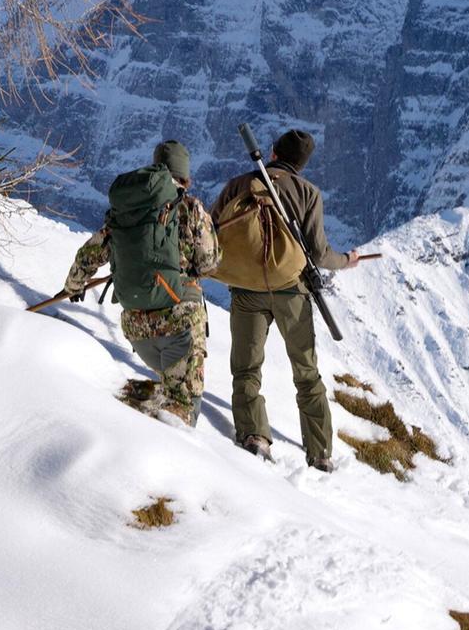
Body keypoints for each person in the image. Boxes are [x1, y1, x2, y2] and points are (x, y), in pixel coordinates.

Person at [211, 128, 364, 470]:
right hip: (291, 292)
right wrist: (346, 261)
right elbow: (320, 253)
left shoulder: (238, 185)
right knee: (306, 371)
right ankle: (320, 452)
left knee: (247, 368)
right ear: (302, 164)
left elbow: (210, 230)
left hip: (246, 290)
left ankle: (254, 435)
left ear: (273, 152)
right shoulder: (308, 192)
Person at [61, 140, 219, 426]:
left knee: (170, 389)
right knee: (184, 409)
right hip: (179, 325)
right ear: (186, 177)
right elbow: (209, 263)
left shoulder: (130, 209)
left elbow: (90, 253)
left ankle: (134, 410)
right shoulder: (191, 208)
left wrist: (74, 284)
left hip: (136, 327)